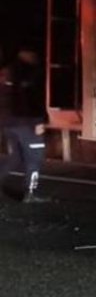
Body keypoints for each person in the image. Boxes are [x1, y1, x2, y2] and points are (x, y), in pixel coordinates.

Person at [1, 50, 49, 203]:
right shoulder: (29, 73)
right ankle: (30, 193)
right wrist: (39, 120)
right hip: (27, 123)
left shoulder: (6, 72)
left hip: (8, 123)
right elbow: (31, 99)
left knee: (16, 156)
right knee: (34, 158)